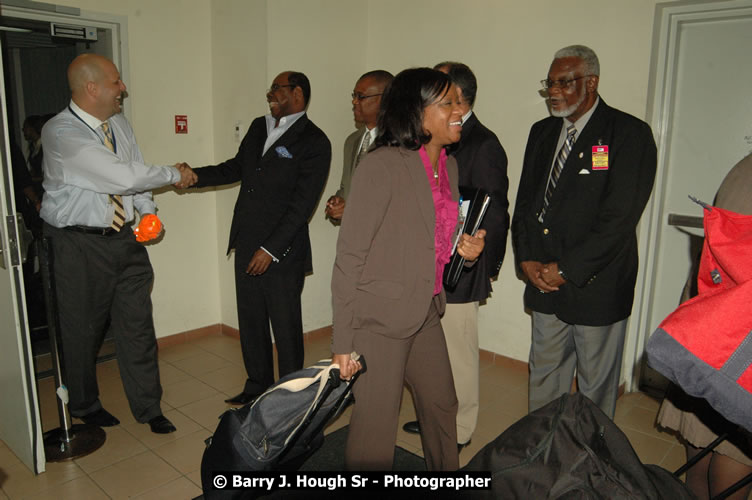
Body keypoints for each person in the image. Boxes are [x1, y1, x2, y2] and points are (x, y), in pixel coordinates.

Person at [332, 68, 486, 471]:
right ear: (417, 112)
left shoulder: (448, 167)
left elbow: (431, 241)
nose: (460, 110)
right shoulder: (381, 166)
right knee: (374, 431)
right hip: (378, 320)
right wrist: (342, 343)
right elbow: (349, 257)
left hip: (426, 309)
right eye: (448, 103)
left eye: (460, 101)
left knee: (442, 405)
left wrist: (464, 251)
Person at [41, 53, 195, 433]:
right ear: (91, 87)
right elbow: (120, 176)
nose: (123, 88)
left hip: (123, 239)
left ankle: (148, 407)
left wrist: (146, 212)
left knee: (138, 325)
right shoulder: (61, 133)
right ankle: (85, 405)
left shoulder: (119, 124)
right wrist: (177, 173)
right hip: (78, 244)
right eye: (116, 81)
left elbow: (135, 178)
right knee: (82, 330)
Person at [511, 45, 657, 419]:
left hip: (597, 285)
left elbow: (619, 220)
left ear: (591, 82)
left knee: (594, 389)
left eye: (564, 82)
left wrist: (566, 268)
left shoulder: (629, 134)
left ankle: (592, 463)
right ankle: (541, 454)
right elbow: (526, 202)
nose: (554, 91)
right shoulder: (542, 132)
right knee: (544, 378)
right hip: (543, 280)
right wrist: (526, 258)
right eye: (550, 84)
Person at [187, 71, 331, 405]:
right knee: (251, 320)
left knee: (285, 325)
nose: (269, 94)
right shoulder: (258, 126)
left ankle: (292, 394)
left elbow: (302, 206)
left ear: (297, 93)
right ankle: (257, 386)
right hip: (247, 240)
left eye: (276, 89)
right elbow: (235, 168)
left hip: (283, 250)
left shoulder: (314, 141)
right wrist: (194, 176)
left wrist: (271, 249)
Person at [403, 62, 509, 450]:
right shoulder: (430, 137)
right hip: (430, 266)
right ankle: (435, 416)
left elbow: (495, 211)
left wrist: (485, 264)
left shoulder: (484, 143)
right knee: (432, 354)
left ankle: (461, 429)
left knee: (458, 356)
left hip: (463, 267)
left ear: (461, 100)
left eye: (445, 95)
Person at [657, 152, 752, 500]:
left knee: (701, 450)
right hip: (740, 350)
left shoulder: (743, 166)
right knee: (734, 456)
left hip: (709, 335)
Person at [325, 70, 393, 222]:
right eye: (354, 96)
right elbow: (346, 189)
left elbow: (392, 203)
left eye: (361, 96)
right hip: (352, 240)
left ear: (386, 99)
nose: (354, 102)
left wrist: (350, 212)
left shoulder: (397, 143)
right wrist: (337, 204)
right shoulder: (352, 141)